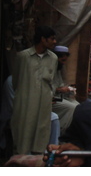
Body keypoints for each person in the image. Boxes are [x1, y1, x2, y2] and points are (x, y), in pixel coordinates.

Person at [10, 25, 58, 155]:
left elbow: (52, 81)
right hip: (25, 101)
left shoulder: (53, 58)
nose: (55, 42)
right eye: (52, 39)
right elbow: (16, 80)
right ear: (43, 39)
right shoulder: (23, 57)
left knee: (41, 135)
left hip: (44, 103)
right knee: (23, 134)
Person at [51, 45, 79, 135]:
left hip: (58, 96)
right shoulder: (50, 68)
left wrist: (67, 88)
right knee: (71, 107)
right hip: (51, 99)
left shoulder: (58, 69)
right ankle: (62, 131)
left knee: (78, 106)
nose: (63, 63)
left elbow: (59, 84)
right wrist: (60, 89)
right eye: (62, 60)